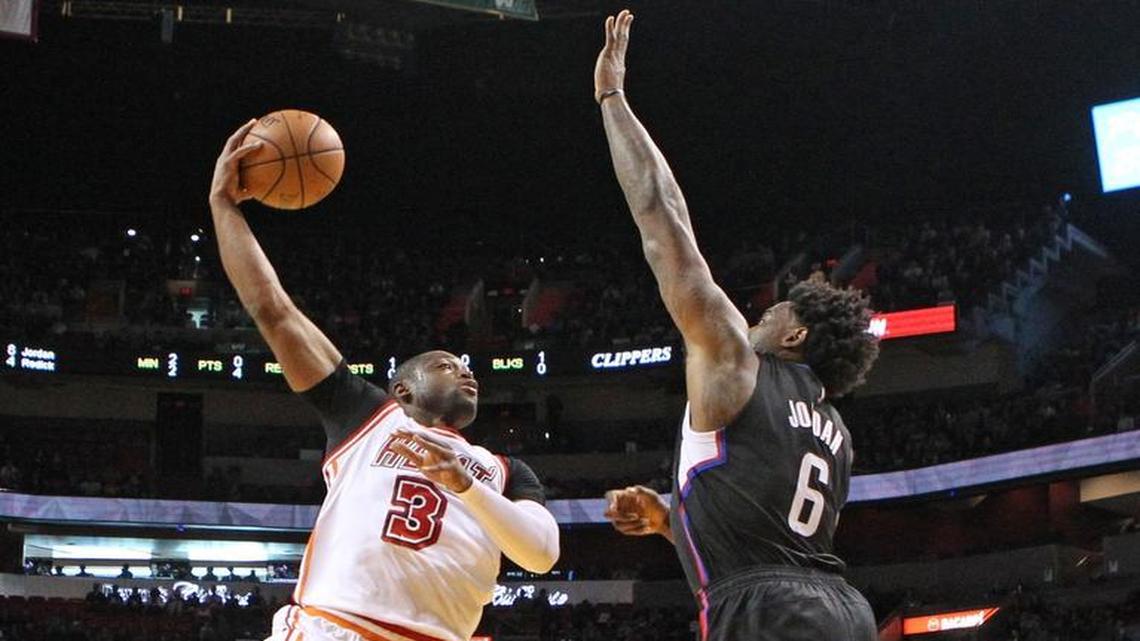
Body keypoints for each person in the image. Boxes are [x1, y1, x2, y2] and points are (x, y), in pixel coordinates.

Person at [208, 121, 559, 641]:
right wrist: (223, 207)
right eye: (444, 364)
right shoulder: (367, 416)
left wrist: (467, 485)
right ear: (403, 390)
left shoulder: (505, 471)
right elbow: (273, 311)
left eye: (465, 366)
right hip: (335, 628)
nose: (464, 369)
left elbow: (541, 554)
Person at [594, 11, 881, 641]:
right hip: (842, 612)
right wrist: (672, 519)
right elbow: (767, 531)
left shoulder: (737, 361)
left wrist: (612, 99)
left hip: (766, 612)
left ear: (796, 336)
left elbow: (662, 220)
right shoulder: (834, 429)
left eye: (776, 312)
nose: (761, 314)